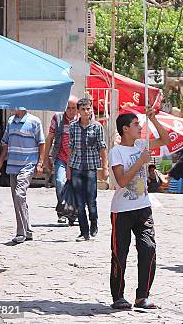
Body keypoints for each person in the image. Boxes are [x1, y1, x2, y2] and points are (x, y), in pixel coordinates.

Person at [108, 108, 170, 310]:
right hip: (122, 210)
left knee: (148, 248)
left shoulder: (142, 145)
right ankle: (118, 296)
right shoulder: (116, 152)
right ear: (125, 129)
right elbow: (122, 180)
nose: (140, 127)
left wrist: (153, 119)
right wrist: (140, 162)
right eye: (136, 124)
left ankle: (142, 296)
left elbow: (166, 139)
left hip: (143, 207)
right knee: (120, 254)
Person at [0, 108, 45, 244]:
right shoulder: (11, 122)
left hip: (28, 164)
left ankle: (21, 232)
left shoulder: (35, 121)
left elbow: (42, 143)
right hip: (12, 165)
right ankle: (27, 230)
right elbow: (6, 144)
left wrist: (40, 163)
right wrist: (0, 161)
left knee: (19, 194)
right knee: (17, 199)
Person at [66, 98, 108, 242]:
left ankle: (94, 222)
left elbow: (102, 148)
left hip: (91, 167)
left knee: (91, 199)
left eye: (88, 109)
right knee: (79, 202)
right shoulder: (73, 127)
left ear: (91, 110)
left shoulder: (97, 127)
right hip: (76, 166)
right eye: (83, 109)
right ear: (78, 111)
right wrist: (68, 169)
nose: (86, 112)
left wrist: (105, 168)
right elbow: (70, 148)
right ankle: (84, 231)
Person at [42, 95, 79, 224]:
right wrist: (45, 159)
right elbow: (50, 138)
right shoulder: (57, 118)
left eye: (73, 108)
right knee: (59, 182)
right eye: (68, 108)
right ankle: (62, 210)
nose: (71, 111)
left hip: (77, 160)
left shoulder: (82, 119)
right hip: (60, 157)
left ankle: (73, 213)